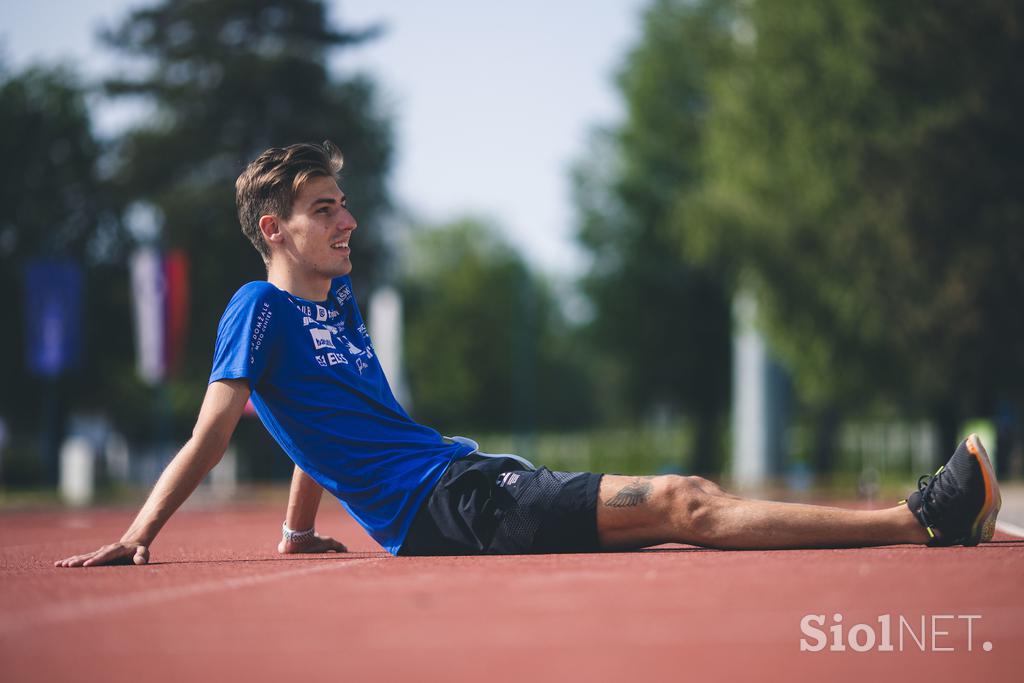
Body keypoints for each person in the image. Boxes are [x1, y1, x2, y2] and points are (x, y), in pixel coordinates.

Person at [56, 141, 1002, 568]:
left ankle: (925, 518)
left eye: (344, 202)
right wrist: (139, 535)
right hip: (451, 508)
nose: (349, 219)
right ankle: (921, 518)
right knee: (684, 499)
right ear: (274, 227)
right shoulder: (253, 309)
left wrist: (302, 531)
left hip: (462, 475)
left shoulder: (335, 301)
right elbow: (214, 434)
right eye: (324, 208)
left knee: (683, 497)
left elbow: (324, 418)